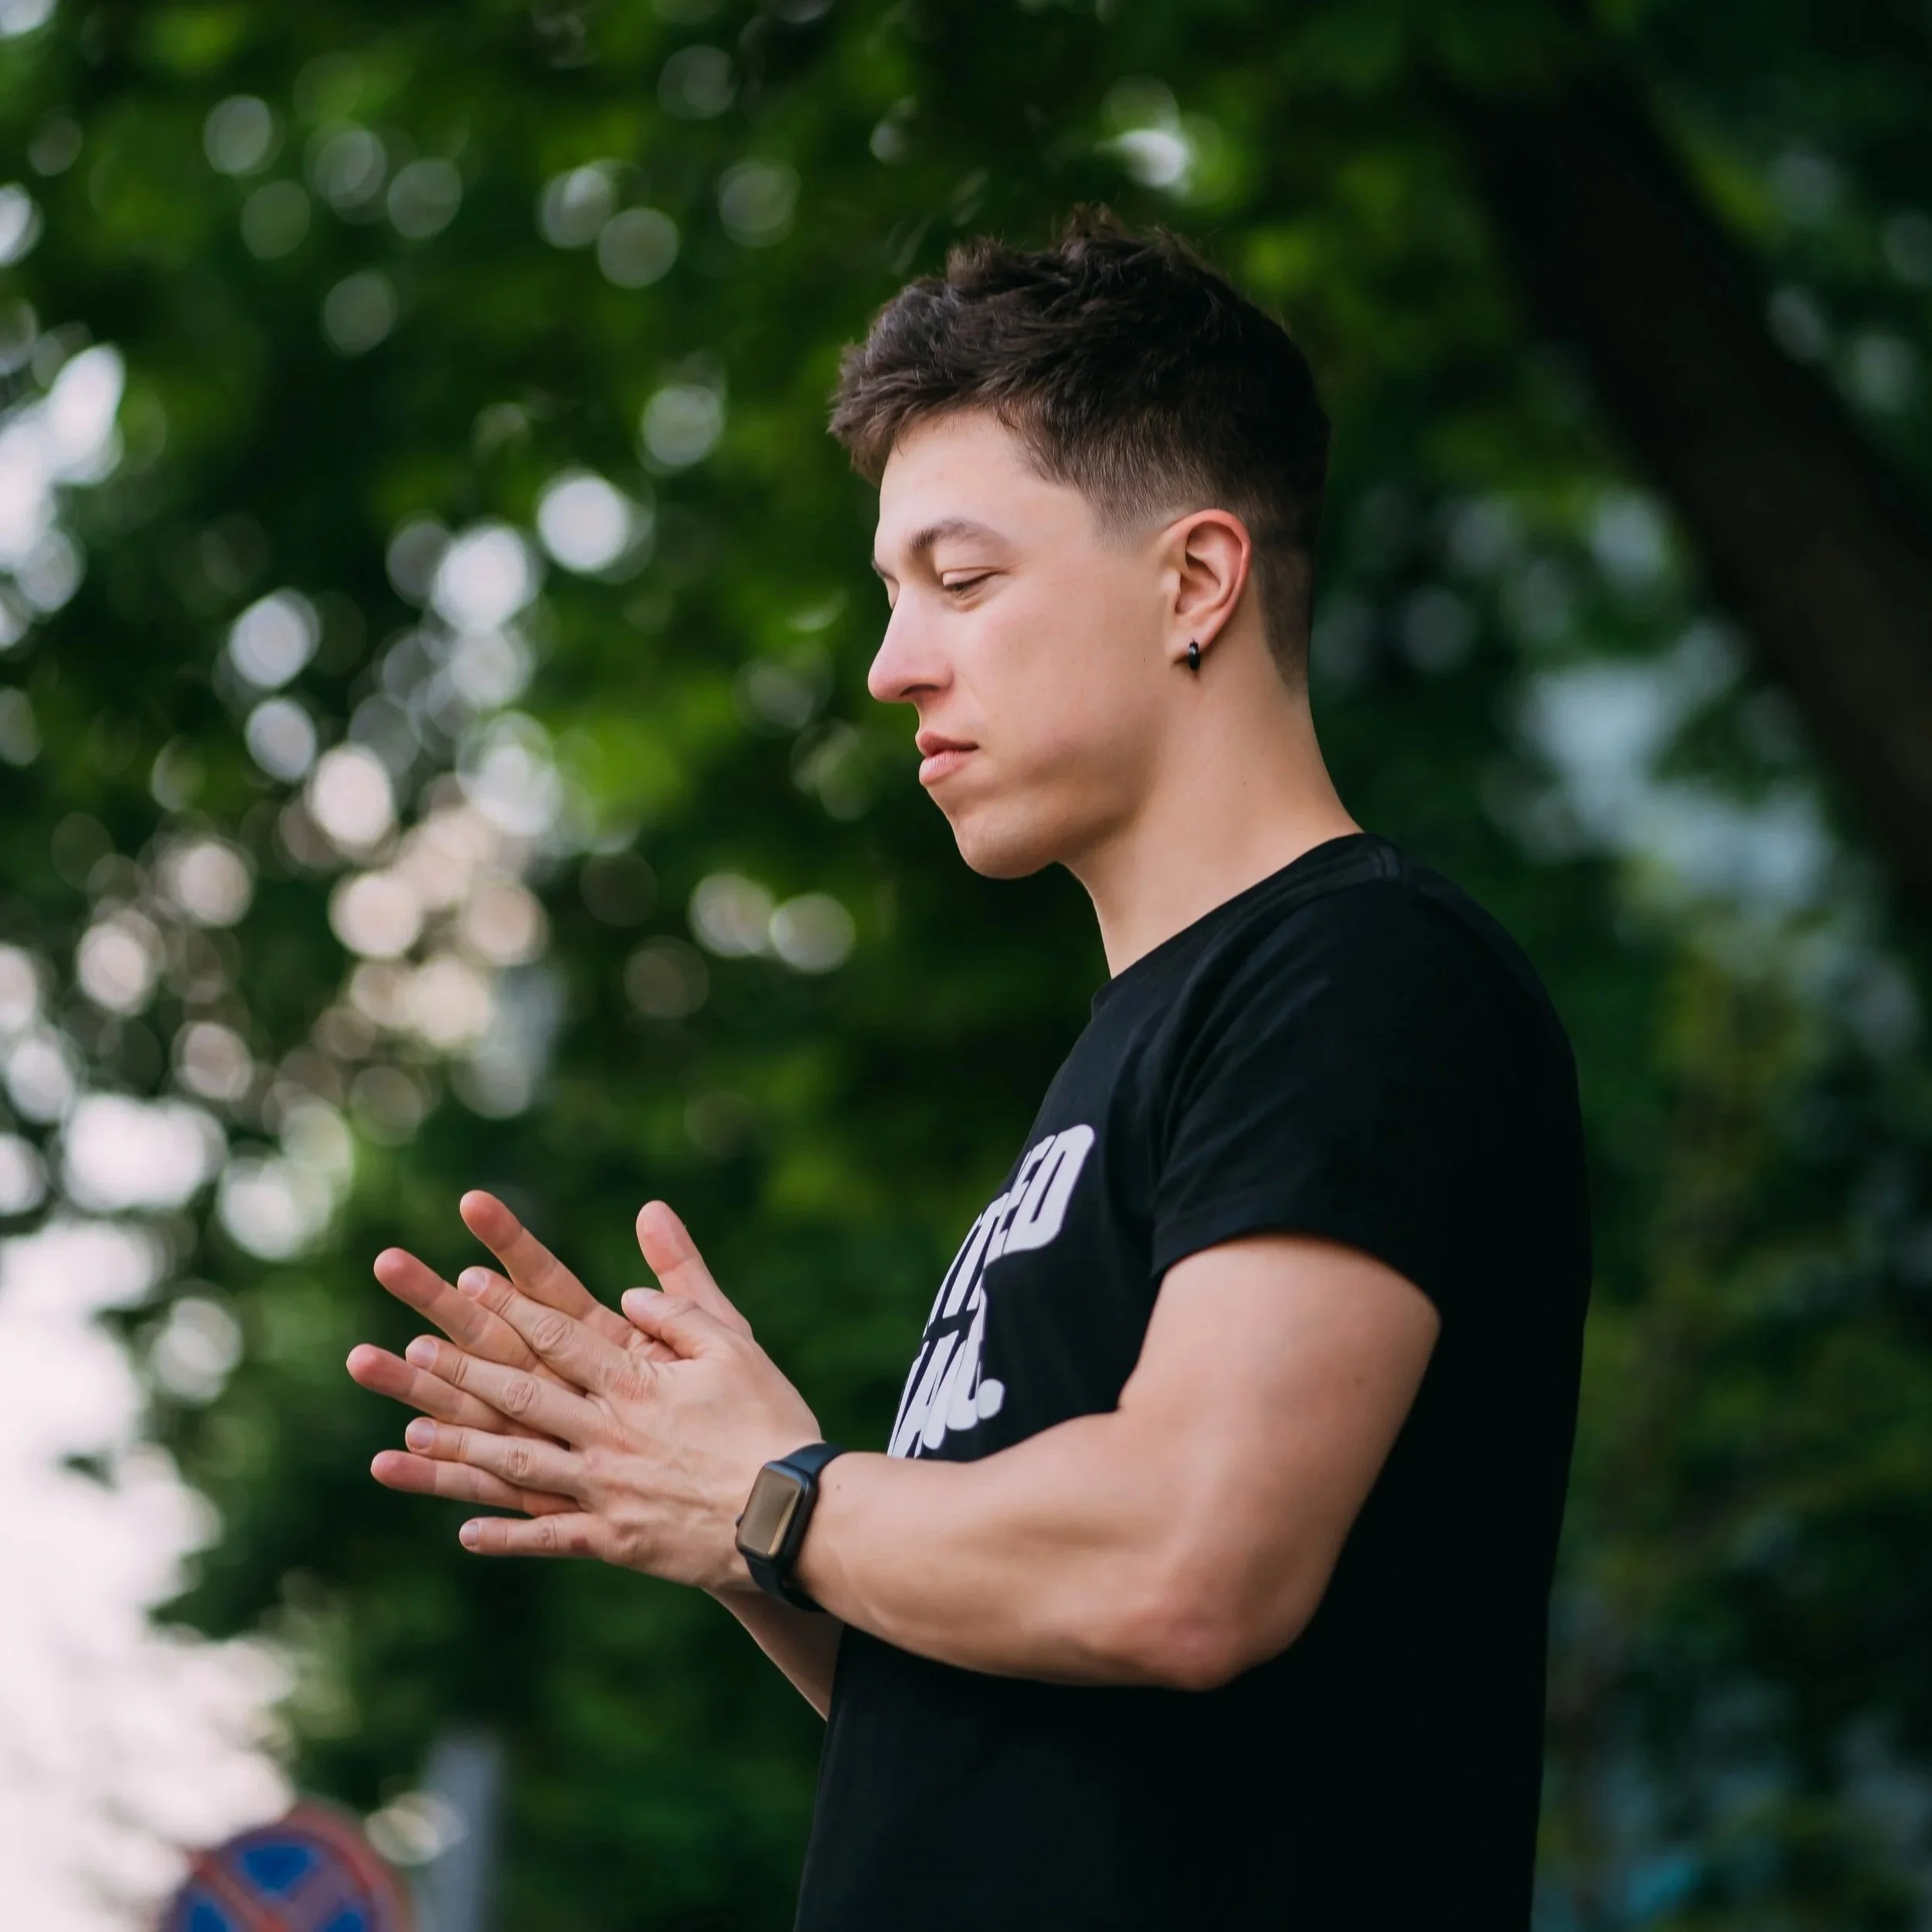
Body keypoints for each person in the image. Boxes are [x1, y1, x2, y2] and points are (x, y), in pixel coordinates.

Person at [346, 211, 1591, 1930]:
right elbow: (999, 1719)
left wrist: (776, 1497)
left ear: (1194, 580)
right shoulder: (1128, 1053)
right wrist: (734, 1524)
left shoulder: (1362, 975)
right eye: (889, 594)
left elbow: (1184, 1562)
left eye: (963, 577)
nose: (890, 664)